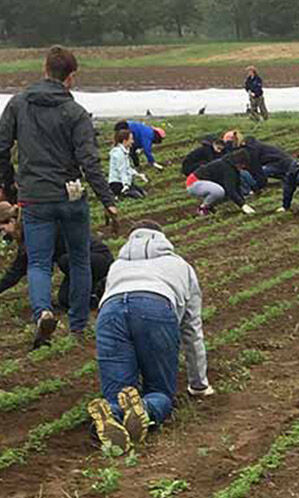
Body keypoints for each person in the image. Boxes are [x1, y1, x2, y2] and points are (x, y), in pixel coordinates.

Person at [0, 45, 118, 349]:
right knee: (80, 260)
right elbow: (89, 161)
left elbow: (1, 147)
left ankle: (43, 312)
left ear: (45, 69)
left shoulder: (18, 103)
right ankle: (78, 325)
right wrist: (108, 200)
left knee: (39, 262)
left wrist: (10, 185)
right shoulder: (76, 112)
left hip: (35, 196)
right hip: (71, 195)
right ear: (71, 77)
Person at [88, 221, 211, 453]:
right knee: (160, 391)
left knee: (117, 393)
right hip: (155, 306)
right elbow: (192, 330)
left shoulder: (117, 266)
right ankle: (145, 409)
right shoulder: (181, 266)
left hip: (110, 312)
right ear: (162, 239)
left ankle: (112, 414)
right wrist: (198, 384)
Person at [0, 201, 113, 314]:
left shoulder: (35, 232)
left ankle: (96, 288)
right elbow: (17, 270)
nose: (3, 234)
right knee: (65, 300)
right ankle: (91, 292)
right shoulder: (33, 228)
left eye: (2, 229)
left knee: (65, 262)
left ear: (12, 221)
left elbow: (18, 268)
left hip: (97, 259)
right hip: (80, 261)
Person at [185, 148, 256, 216]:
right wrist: (242, 205)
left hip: (204, 183)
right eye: (243, 165)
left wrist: (243, 203)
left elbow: (236, 187)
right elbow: (231, 190)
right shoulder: (227, 168)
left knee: (225, 193)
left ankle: (209, 207)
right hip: (194, 182)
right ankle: (203, 208)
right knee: (219, 191)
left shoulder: (232, 168)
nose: (243, 167)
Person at [108, 128, 147, 199]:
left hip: (125, 182)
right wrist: (125, 185)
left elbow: (127, 168)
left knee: (143, 193)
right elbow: (122, 170)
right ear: (125, 141)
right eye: (131, 139)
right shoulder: (118, 153)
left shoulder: (125, 152)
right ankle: (119, 196)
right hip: (118, 183)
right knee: (137, 196)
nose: (133, 141)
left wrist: (138, 175)